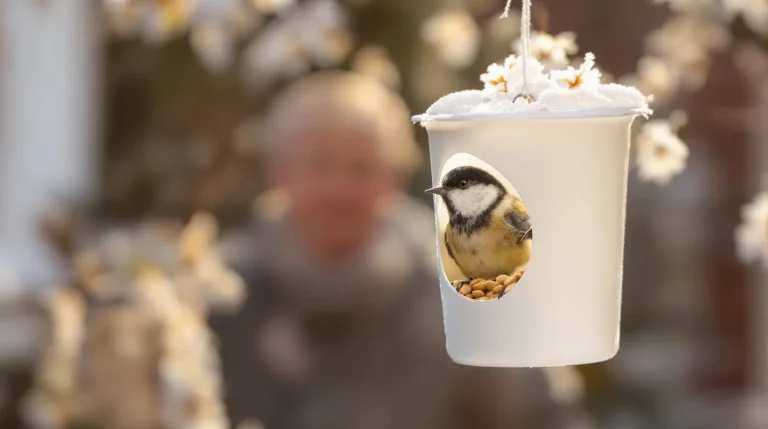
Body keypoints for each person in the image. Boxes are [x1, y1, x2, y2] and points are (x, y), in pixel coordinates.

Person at [209, 72, 586, 429]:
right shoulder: (222, 293)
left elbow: (545, 415)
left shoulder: (463, 292)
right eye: (319, 164)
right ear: (278, 172)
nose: (339, 189)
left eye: (360, 168)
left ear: (395, 177)